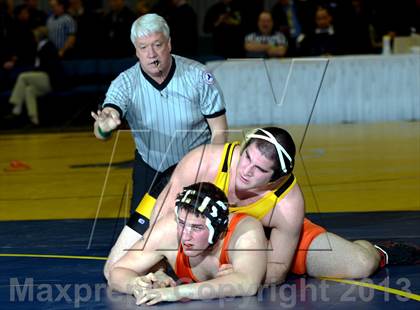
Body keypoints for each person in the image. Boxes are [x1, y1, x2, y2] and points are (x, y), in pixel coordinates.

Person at [104, 126, 420, 284]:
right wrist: (160, 268)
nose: (245, 170)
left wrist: (244, 273)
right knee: (115, 271)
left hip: (258, 239)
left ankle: (380, 250)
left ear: (275, 180)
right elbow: (167, 223)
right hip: (186, 217)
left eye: (258, 170)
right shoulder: (204, 162)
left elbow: (278, 269)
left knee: (359, 265)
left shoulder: (287, 203)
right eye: (246, 158)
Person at [91, 13, 227, 213]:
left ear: (169, 44)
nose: (151, 54)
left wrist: (212, 171)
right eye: (143, 47)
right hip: (151, 169)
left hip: (198, 166)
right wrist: (104, 128)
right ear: (136, 51)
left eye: (157, 44)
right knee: (140, 237)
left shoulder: (198, 76)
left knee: (198, 231)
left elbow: (220, 131)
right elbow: (102, 127)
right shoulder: (124, 83)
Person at [108, 182, 267, 305]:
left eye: (196, 228)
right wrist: (134, 283)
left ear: (219, 231)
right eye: (182, 223)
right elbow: (117, 271)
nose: (185, 236)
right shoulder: (168, 229)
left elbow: (248, 283)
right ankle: (159, 267)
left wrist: (176, 293)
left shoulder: (246, 232)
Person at [7, 26, 63, 126]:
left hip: (50, 79)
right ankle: (34, 119)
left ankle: (16, 107)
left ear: (39, 36)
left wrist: (35, 71)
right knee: (29, 90)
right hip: (43, 79)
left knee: (23, 77)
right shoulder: (40, 46)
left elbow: (48, 68)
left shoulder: (49, 47)